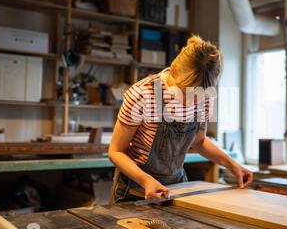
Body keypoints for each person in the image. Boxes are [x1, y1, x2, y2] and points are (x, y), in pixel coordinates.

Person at [108, 35, 253, 203]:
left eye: (199, 95)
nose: (193, 101)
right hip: (135, 188)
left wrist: (232, 164)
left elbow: (199, 141)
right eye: (185, 92)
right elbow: (116, 151)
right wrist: (146, 180)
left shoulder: (205, 96)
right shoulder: (143, 93)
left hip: (175, 187)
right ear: (174, 71)